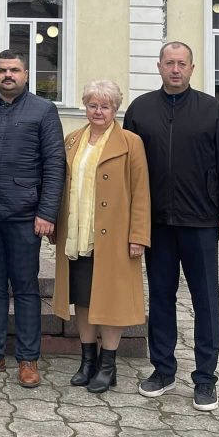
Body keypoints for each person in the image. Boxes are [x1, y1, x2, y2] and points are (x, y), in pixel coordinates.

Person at [123, 41, 219, 412]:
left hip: (200, 223)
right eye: (169, 63)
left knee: (205, 300)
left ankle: (206, 379)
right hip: (157, 224)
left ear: (192, 68)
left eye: (182, 63)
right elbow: (129, 168)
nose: (175, 69)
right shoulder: (141, 110)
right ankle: (163, 370)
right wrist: (130, 219)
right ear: (159, 67)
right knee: (161, 298)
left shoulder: (213, 111)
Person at [0, 50, 65, 387]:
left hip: (24, 216)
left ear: (26, 74)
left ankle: (28, 359)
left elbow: (55, 164)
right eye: (3, 70)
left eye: (15, 70)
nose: (8, 75)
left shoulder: (43, 110)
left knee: (25, 287)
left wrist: (47, 212)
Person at [52, 80, 151, 393]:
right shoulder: (72, 140)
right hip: (77, 235)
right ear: (85, 106)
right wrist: (55, 225)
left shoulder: (131, 143)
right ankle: (87, 361)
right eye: (93, 105)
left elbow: (141, 192)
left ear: (115, 109)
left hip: (114, 238)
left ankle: (108, 366)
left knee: (111, 301)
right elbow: (61, 186)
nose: (98, 111)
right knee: (82, 299)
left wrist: (138, 235)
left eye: (105, 106)